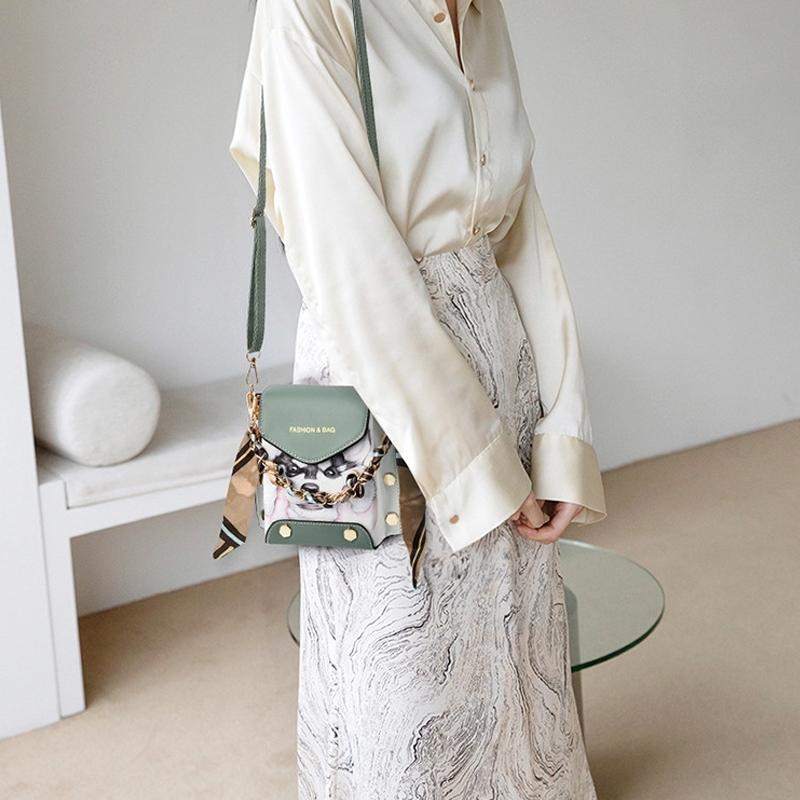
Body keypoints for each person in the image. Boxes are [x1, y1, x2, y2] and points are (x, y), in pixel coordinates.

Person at [229, 0, 608, 796]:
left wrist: (563, 433)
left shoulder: (481, 10)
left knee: (516, 665)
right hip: (381, 382)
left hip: (503, 373)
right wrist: (477, 465)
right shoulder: (307, 10)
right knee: (404, 690)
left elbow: (520, 229)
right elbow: (349, 262)